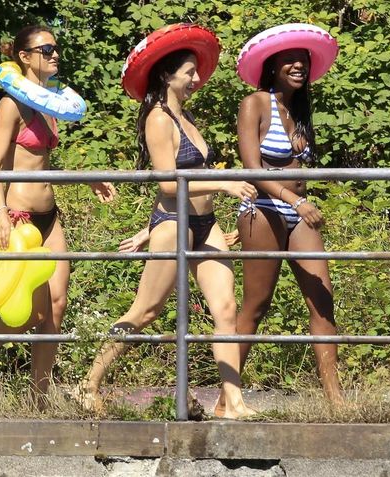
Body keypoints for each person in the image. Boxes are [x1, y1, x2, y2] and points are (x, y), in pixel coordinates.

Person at [75, 24, 257, 419]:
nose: (196, 79)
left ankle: (234, 403)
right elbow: (166, 182)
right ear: (166, 76)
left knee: (226, 309)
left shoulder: (185, 114)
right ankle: (88, 383)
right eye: (189, 72)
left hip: (206, 224)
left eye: (195, 72)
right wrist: (225, 185)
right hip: (175, 222)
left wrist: (217, 200)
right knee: (146, 311)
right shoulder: (158, 119)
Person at [0, 25, 115, 401]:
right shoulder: (11, 105)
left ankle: (40, 395)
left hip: (51, 216)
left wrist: (84, 178)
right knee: (32, 316)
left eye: (56, 48)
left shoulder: (47, 104)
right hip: (20, 218)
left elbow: (42, 166)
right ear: (24, 56)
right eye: (46, 49)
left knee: (56, 306)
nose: (55, 54)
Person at [220, 24, 344, 410]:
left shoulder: (301, 110)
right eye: (290, 59)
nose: (298, 65)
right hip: (265, 211)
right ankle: (228, 399)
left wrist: (300, 201)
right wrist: (294, 199)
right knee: (257, 304)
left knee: (323, 300)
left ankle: (336, 401)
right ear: (272, 65)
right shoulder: (254, 103)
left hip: (297, 214)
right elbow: (252, 169)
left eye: (304, 60)